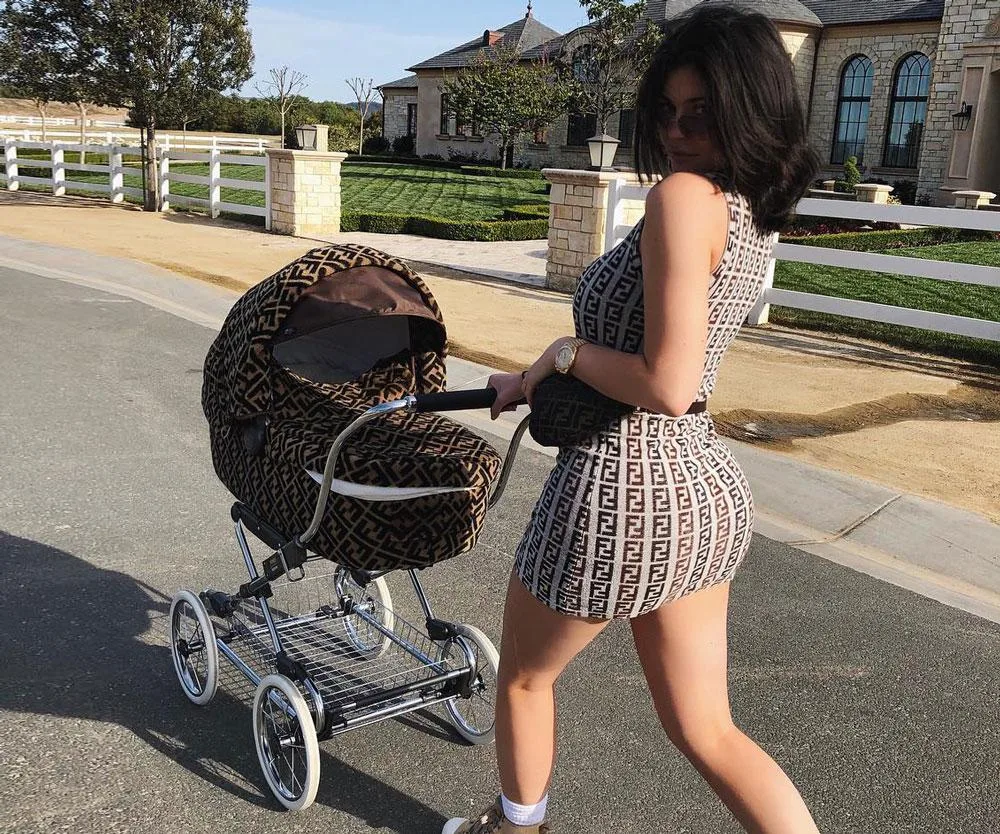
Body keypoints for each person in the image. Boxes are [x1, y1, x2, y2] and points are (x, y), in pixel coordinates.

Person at [443, 4, 821, 833]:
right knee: (707, 729)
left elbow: (666, 380)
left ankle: (513, 827)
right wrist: (543, 372)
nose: (679, 134)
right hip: (701, 492)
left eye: (702, 116)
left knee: (525, 680)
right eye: (666, 113)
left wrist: (565, 353)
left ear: (747, 114)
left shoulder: (683, 198)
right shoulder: (747, 204)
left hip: (622, 489)